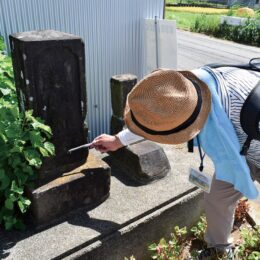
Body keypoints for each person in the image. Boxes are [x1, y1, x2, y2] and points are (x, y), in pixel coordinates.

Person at [92, 66, 260, 259]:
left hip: (253, 145)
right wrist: (118, 140)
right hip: (239, 153)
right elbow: (160, 119)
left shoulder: (238, 103)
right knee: (217, 198)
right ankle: (220, 248)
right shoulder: (184, 92)